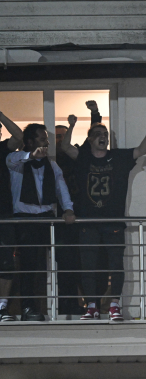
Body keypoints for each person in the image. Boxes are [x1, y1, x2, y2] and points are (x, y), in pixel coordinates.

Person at [60, 114, 146, 321]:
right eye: (97, 134)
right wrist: (72, 126)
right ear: (90, 139)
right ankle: (91, 306)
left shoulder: (118, 157)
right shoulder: (84, 157)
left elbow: (141, 150)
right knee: (88, 266)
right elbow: (66, 147)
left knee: (115, 265)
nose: (102, 137)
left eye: (105, 134)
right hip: (88, 222)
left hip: (113, 222)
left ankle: (114, 305)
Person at [7, 124, 76, 321]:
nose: (46, 143)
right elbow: (13, 160)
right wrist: (31, 155)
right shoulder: (17, 160)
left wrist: (68, 209)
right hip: (25, 220)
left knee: (64, 257)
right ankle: (28, 307)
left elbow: (61, 188)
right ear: (29, 142)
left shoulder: (52, 165)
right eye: (42, 139)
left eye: (46, 139)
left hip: (48, 218)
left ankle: (67, 303)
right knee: (30, 265)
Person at [52, 101, 103, 317]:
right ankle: (67, 305)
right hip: (58, 217)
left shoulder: (78, 156)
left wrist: (94, 114)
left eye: (63, 136)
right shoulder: (49, 162)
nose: (60, 140)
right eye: (57, 137)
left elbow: (92, 139)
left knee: (86, 261)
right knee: (65, 263)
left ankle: (90, 304)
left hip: (81, 214)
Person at [0, 113, 24, 322]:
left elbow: (19, 136)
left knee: (6, 262)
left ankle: (2, 306)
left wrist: (0, 115)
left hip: (4, 214)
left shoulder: (2, 149)